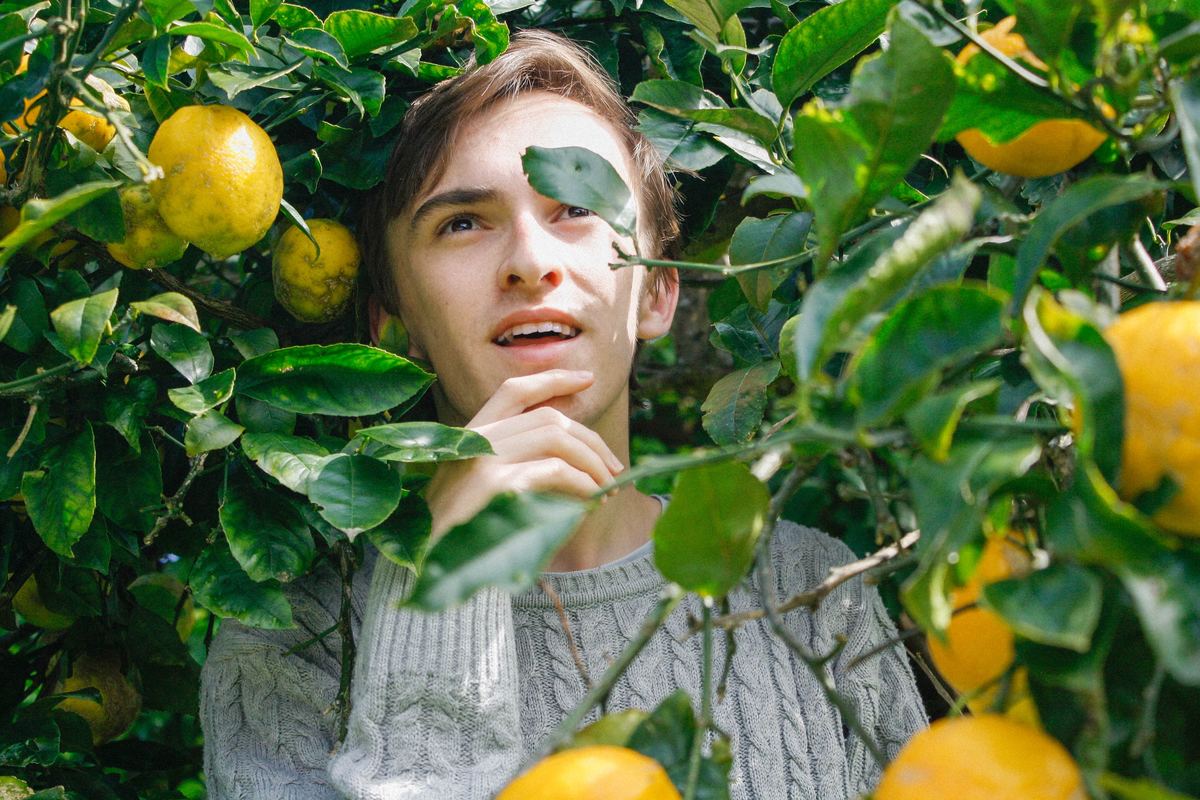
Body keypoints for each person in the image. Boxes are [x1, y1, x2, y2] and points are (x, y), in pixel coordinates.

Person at [199, 30, 927, 799]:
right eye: (463, 222)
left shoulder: (816, 594)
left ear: (657, 290)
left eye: (577, 207)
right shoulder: (290, 638)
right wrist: (439, 592)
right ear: (394, 323)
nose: (528, 259)